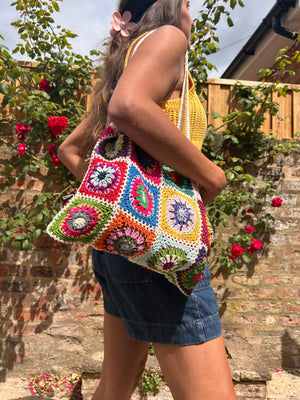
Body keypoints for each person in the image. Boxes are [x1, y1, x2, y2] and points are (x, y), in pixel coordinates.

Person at [57, 1, 236, 399]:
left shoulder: (124, 69)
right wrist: (212, 175)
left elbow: (70, 150)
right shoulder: (169, 38)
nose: (192, 13)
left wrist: (119, 198)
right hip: (162, 249)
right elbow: (129, 107)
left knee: (116, 387)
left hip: (123, 246)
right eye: (189, 3)